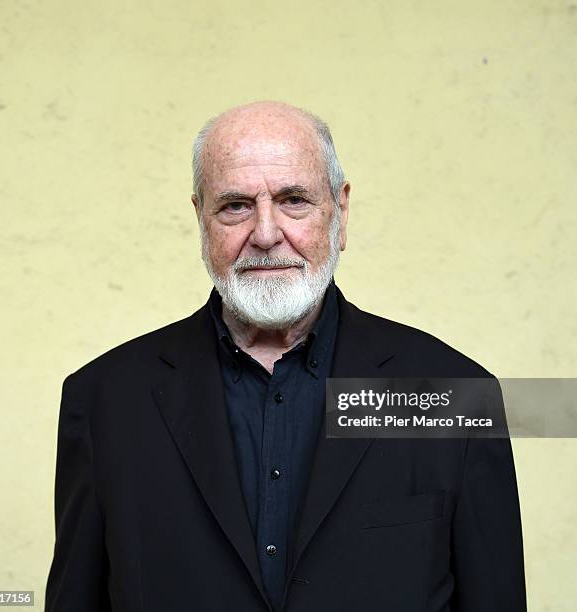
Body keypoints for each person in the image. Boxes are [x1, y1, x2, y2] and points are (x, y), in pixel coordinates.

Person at [45, 101, 526, 611]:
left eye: (294, 200)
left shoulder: (452, 393)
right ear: (201, 219)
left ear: (340, 213)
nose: (267, 234)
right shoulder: (104, 401)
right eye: (235, 206)